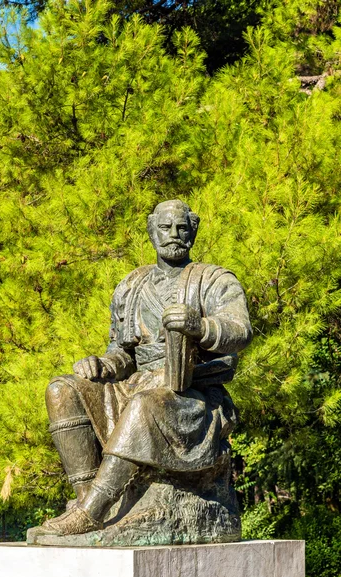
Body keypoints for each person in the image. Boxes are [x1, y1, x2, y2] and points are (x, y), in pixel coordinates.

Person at [40, 199, 252, 535]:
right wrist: (103, 365)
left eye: (182, 228)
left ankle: (94, 509)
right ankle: (86, 501)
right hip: (138, 381)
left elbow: (239, 330)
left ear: (193, 231)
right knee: (61, 390)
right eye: (165, 227)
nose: (173, 234)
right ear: (151, 232)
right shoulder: (131, 285)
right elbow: (123, 353)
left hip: (190, 393)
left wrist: (199, 327)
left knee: (145, 404)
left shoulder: (214, 280)